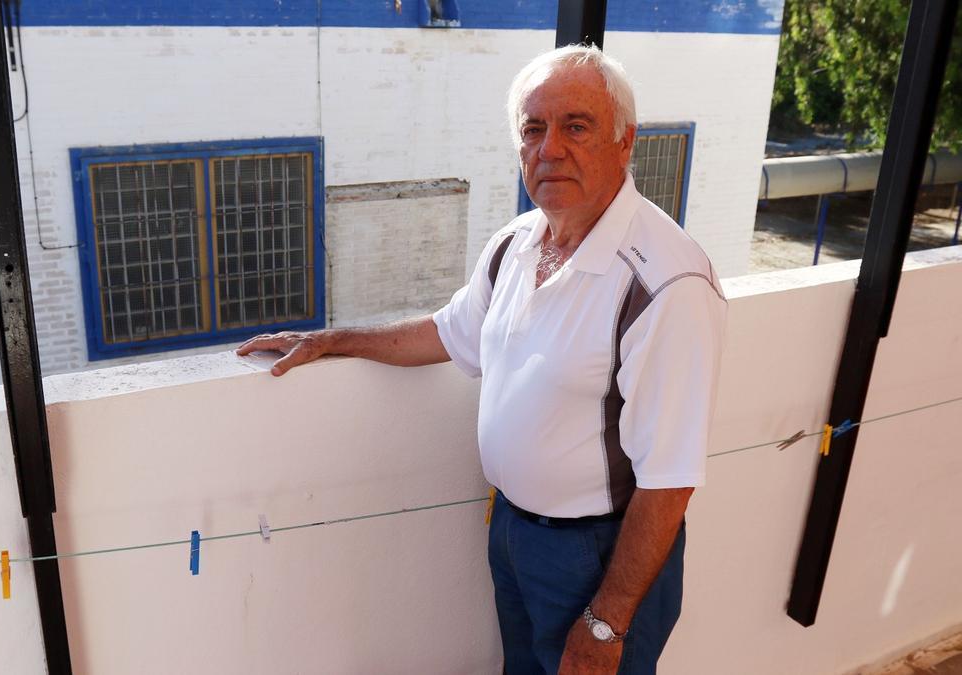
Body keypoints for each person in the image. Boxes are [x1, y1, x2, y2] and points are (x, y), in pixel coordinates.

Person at [236, 44, 726, 675]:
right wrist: (332, 340)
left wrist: (606, 622)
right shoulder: (516, 245)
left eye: (576, 126)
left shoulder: (665, 284)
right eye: (533, 129)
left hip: (600, 554)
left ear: (625, 140)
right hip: (515, 532)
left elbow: (668, 479)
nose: (550, 148)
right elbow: (450, 333)